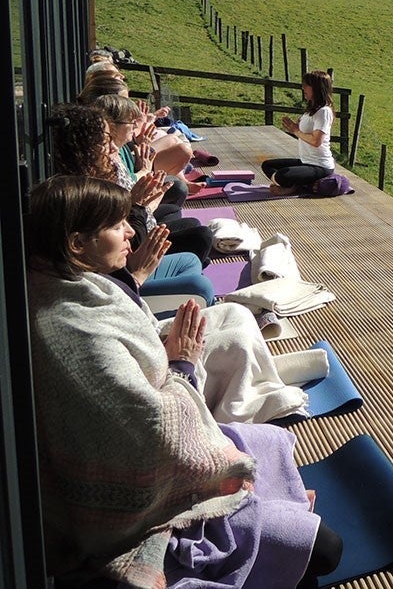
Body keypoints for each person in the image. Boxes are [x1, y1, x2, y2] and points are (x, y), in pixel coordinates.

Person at [24, 175, 341, 588]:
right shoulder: (73, 332)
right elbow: (152, 436)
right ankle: (262, 489)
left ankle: (265, 467)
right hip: (142, 507)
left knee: (234, 323)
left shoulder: (71, 285)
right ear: (76, 244)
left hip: (170, 423)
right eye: (117, 224)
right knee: (326, 550)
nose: (131, 231)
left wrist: (171, 355)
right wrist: (182, 366)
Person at [47, 103, 215, 306]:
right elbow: (121, 256)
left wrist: (142, 205)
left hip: (127, 266)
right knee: (200, 278)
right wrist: (138, 274)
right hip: (124, 283)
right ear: (81, 150)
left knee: (191, 257)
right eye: (103, 142)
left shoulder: (95, 177)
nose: (112, 148)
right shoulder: (83, 196)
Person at [263, 70, 336, 196]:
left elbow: (316, 141)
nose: (303, 88)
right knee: (267, 165)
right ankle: (299, 184)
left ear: (317, 88)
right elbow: (304, 134)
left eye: (307, 85)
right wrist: (296, 128)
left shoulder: (324, 112)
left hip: (320, 166)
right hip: (305, 161)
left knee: (281, 176)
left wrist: (296, 130)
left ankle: (294, 187)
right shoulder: (311, 110)